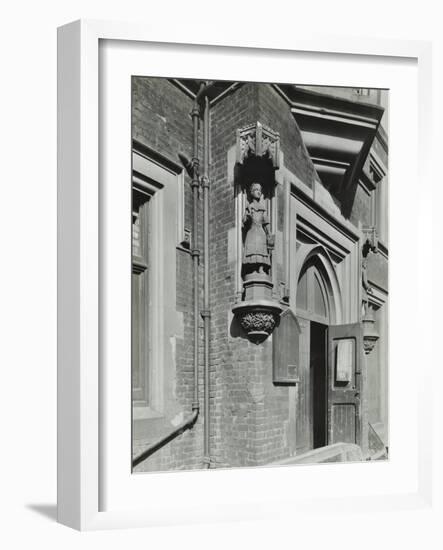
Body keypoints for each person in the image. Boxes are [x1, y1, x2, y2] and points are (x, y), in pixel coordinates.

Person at [242, 182, 273, 276]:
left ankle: (261, 268)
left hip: (260, 232)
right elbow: (244, 222)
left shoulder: (262, 208)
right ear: (251, 192)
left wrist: (269, 234)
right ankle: (253, 269)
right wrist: (248, 217)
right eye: (256, 190)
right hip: (252, 232)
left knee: (261, 250)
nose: (259, 192)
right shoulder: (249, 207)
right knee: (252, 250)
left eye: (260, 190)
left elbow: (266, 222)